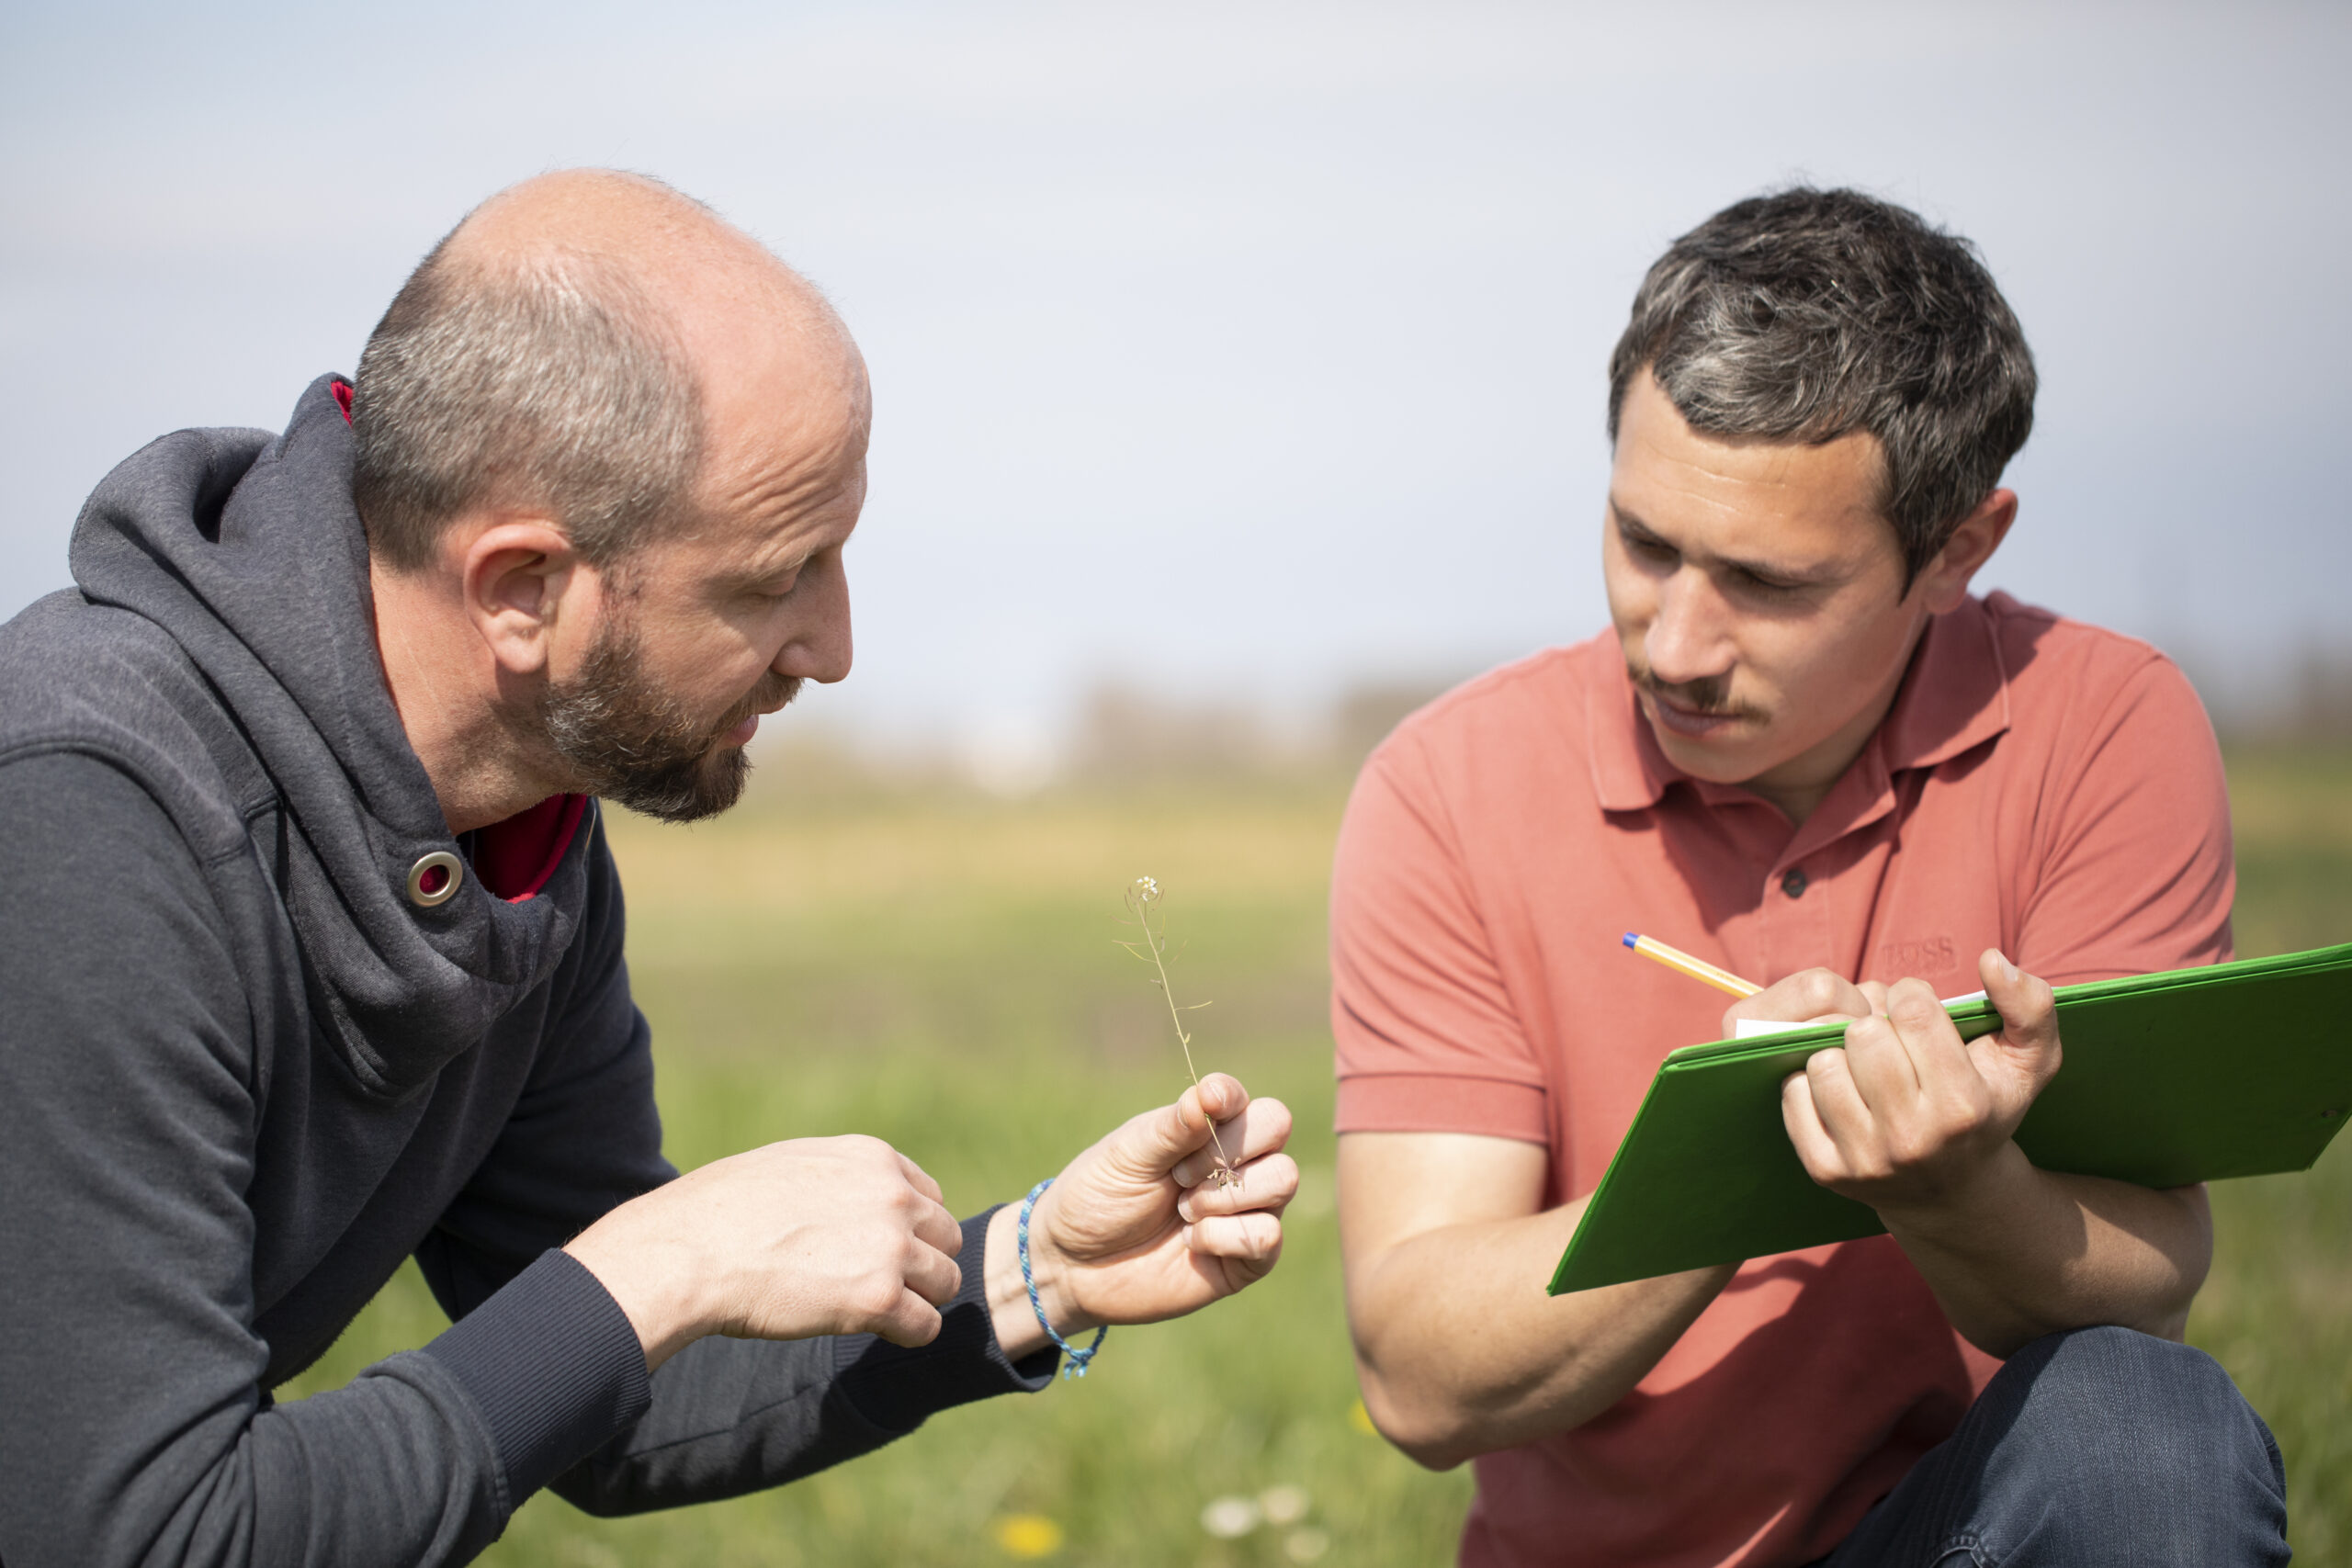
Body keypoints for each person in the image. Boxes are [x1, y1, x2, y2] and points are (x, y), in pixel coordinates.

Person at [0, 170, 1295, 1568]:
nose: (833, 649)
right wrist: (658, 1261)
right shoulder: (91, 818)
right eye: (769, 580)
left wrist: (1030, 1271)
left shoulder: (521, 834)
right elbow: (141, 1537)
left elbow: (604, 1390)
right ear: (520, 593)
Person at [1330, 188, 2290, 1567]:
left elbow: (2142, 1296)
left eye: (1768, 583)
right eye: (1644, 543)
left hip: (1958, 1530)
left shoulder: (2106, 724)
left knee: (2148, 1433)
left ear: (1960, 546)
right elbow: (1418, 1377)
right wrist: (1728, 1158)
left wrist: (1956, 1188)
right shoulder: (1447, 785)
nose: (1674, 644)